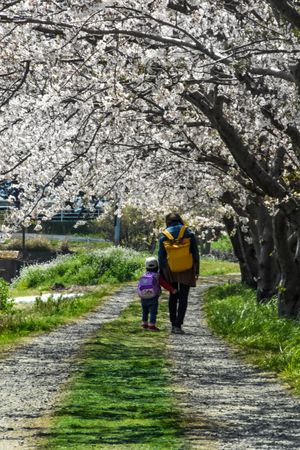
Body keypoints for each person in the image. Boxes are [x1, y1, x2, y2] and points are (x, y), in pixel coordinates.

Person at [158, 213, 200, 334]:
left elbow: (161, 256)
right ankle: (179, 324)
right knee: (183, 297)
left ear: (168, 222)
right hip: (187, 268)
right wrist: (196, 270)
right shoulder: (188, 232)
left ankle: (173, 325)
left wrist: (162, 272)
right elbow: (195, 253)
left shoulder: (164, 234)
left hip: (171, 269)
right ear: (180, 220)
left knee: (173, 295)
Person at [137, 256, 177, 332]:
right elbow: (164, 284)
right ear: (157, 266)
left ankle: (144, 323)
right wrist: (172, 289)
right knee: (153, 312)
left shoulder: (144, 275)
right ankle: (152, 326)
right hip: (153, 297)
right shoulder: (157, 276)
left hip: (143, 297)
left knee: (144, 311)